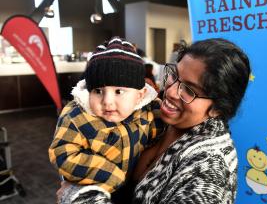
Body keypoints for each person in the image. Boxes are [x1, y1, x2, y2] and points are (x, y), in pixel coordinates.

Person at [57, 38, 251, 204]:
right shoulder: (150, 112)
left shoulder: (210, 168)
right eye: (174, 75)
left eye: (190, 90)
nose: (171, 91)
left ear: (218, 108)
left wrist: (76, 194)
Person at [49, 37, 165, 200]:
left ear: (139, 96)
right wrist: (110, 175)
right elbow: (63, 153)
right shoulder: (76, 116)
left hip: (132, 192)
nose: (107, 101)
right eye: (97, 91)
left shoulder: (148, 112)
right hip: (94, 192)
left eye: (119, 91)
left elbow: (161, 134)